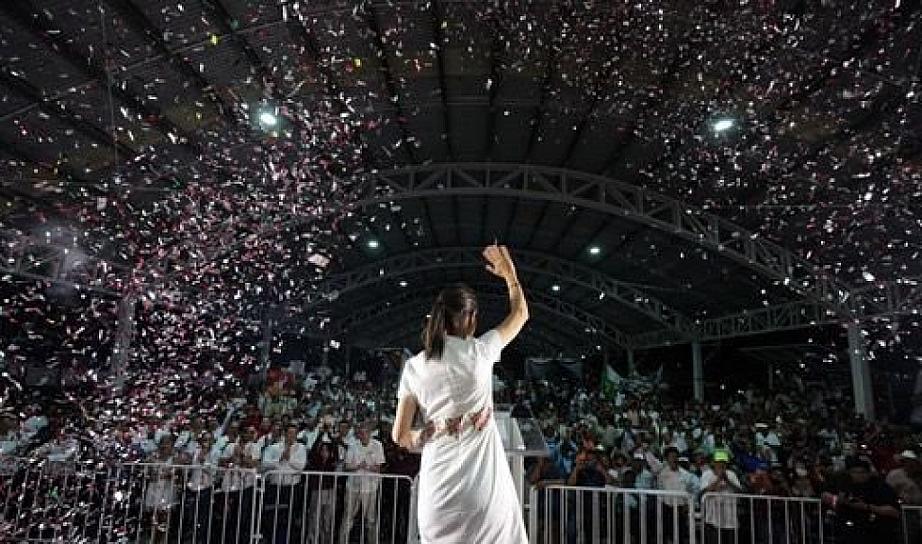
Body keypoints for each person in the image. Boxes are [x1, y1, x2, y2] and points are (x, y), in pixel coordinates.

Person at [391, 244, 529, 543]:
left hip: (437, 495)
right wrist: (510, 275)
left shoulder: (415, 367)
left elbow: (400, 437)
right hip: (483, 493)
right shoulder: (480, 351)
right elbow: (520, 314)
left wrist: (432, 430)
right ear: (470, 318)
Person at [822, 457, 901, 543]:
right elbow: (825, 495)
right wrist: (839, 500)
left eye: (862, 472)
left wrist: (866, 506)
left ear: (868, 473)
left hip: (877, 531)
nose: (859, 475)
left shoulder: (880, 486)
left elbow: (894, 511)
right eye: (855, 472)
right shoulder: (844, 484)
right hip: (850, 531)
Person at [339, 425, 385, 544]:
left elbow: (379, 466)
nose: (363, 436)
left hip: (371, 487)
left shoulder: (377, 445)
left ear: (370, 433)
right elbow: (347, 466)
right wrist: (358, 466)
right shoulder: (353, 446)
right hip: (353, 486)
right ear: (358, 435)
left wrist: (369, 466)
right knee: (348, 517)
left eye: (366, 433)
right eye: (361, 433)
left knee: (371, 518)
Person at [700, 450, 742, 543]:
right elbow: (703, 492)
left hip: (730, 518)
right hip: (713, 518)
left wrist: (728, 480)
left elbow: (739, 491)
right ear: (713, 463)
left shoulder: (731, 474)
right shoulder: (707, 474)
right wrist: (718, 479)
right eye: (719, 462)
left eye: (723, 462)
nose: (721, 465)